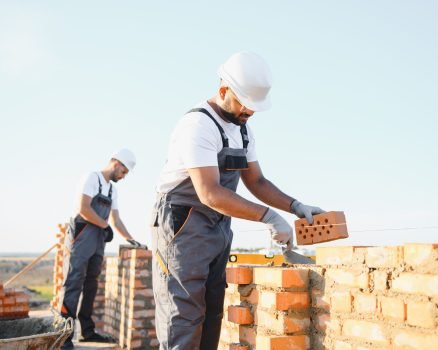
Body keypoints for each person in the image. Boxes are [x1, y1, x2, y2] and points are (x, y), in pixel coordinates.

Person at [150, 51, 324, 350]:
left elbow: (256, 181)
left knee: (212, 310)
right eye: (245, 104)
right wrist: (268, 217)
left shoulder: (243, 131)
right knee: (185, 315)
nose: (250, 112)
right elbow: (210, 193)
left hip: (216, 225)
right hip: (181, 225)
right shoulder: (198, 125)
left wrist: (295, 207)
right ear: (223, 91)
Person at [60, 149, 146, 350]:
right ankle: (63, 336)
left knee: (91, 285)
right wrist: (104, 225)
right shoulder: (92, 178)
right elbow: (84, 208)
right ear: (116, 163)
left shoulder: (112, 190)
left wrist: (132, 240)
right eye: (124, 172)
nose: (123, 177)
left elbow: (116, 219)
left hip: (97, 241)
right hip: (81, 237)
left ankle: (87, 332)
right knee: (73, 284)